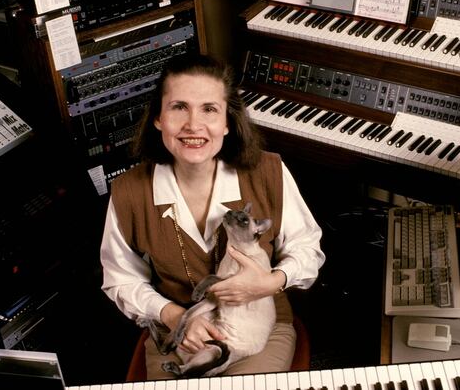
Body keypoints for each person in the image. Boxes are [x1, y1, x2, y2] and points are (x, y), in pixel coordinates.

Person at [100, 53, 325, 379]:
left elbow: (307, 249)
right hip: (178, 328)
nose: (193, 125)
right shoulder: (129, 190)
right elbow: (121, 279)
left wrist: (271, 282)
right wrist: (175, 316)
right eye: (179, 107)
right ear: (158, 118)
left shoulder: (269, 171)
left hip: (256, 333)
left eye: (209, 109)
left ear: (227, 122)